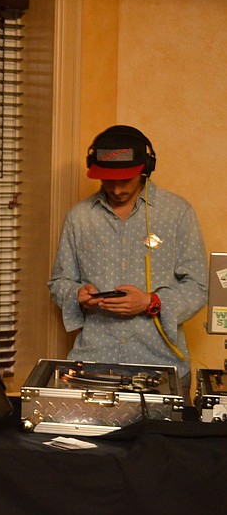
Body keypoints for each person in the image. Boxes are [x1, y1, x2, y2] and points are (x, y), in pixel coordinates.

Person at [48, 124, 207, 402]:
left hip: (162, 366)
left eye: (125, 179)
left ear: (145, 169)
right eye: (108, 180)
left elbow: (199, 285)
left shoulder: (177, 213)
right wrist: (77, 296)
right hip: (93, 366)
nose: (117, 189)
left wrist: (150, 302)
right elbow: (59, 283)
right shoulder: (79, 217)